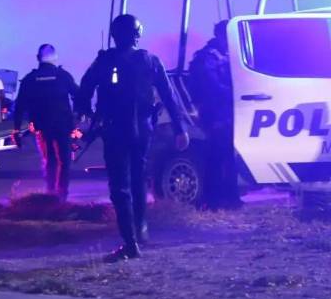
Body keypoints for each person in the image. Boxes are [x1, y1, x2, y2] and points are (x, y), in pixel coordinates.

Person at [76, 14, 189, 262]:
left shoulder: (105, 61)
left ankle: (130, 243)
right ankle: (140, 230)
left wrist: (85, 112)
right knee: (138, 180)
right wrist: (180, 129)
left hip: (115, 130)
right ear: (138, 34)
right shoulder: (151, 61)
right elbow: (169, 96)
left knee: (120, 187)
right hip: (142, 131)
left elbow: (85, 86)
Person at [13, 44, 79, 201]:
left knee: (50, 159)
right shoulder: (63, 76)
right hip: (63, 126)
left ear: (38, 58)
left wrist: (16, 130)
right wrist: (77, 118)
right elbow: (79, 95)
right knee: (64, 161)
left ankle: (50, 193)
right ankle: (62, 195)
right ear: (55, 58)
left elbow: (19, 106)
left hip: (42, 127)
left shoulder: (30, 79)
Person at [188, 21, 241, 210]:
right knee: (216, 156)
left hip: (229, 112)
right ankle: (213, 200)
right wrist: (237, 92)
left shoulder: (229, 54)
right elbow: (213, 87)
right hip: (215, 113)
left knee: (229, 155)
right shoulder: (207, 58)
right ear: (220, 36)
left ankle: (230, 198)